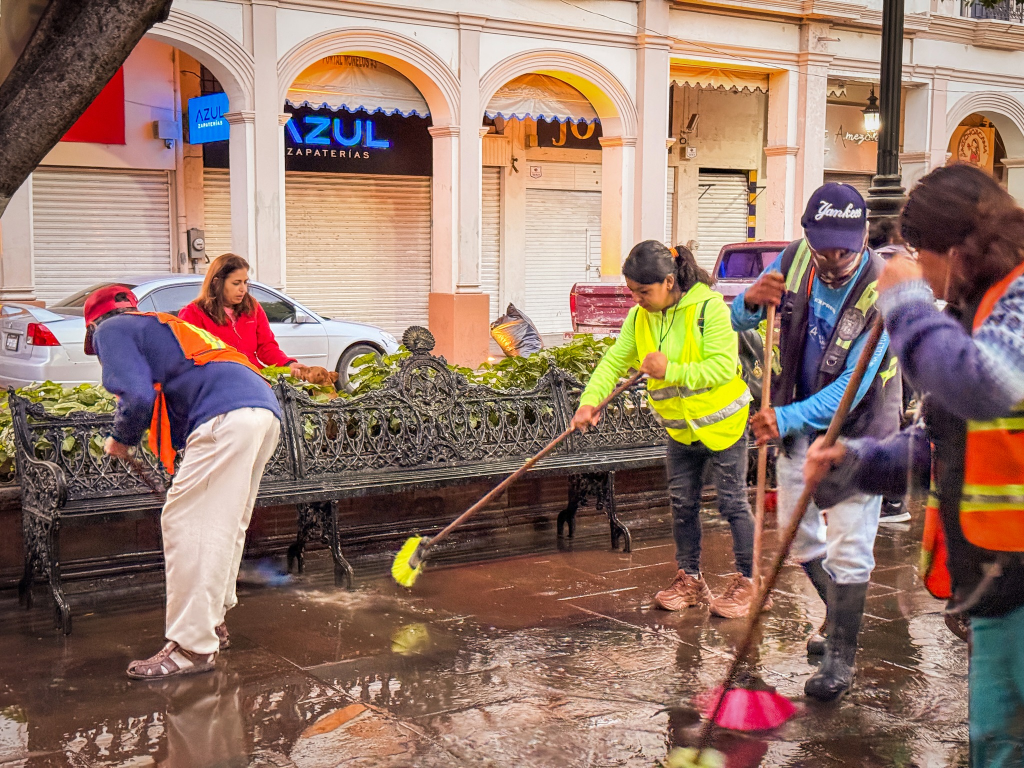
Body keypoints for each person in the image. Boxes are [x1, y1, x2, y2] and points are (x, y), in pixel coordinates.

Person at [804, 164, 1024, 763]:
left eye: (921, 258)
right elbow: (940, 440)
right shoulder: (973, 310)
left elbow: (984, 387)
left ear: (954, 251)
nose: (920, 273)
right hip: (994, 573)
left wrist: (904, 302)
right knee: (997, 742)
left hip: (1018, 572)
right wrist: (857, 462)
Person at [732, 183, 903, 702]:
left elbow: (852, 388)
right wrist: (750, 301)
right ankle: (837, 613)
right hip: (797, 421)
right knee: (798, 535)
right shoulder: (794, 259)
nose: (832, 260)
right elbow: (741, 320)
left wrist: (783, 418)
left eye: (843, 251)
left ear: (863, 237)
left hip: (860, 433)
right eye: (823, 248)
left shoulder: (884, 290)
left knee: (850, 544)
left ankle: (840, 658)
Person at [84, 284, 283, 679]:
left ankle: (192, 646)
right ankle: (212, 620)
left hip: (226, 415)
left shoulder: (111, 328)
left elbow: (136, 395)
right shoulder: (164, 326)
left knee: (187, 524)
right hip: (261, 409)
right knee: (225, 524)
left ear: (94, 325)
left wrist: (121, 437)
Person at [572, 241, 761, 619]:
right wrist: (589, 402)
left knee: (733, 503)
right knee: (682, 504)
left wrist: (669, 370)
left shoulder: (709, 309)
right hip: (680, 429)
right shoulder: (639, 318)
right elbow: (613, 363)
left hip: (723, 425)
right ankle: (690, 580)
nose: (637, 299)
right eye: (632, 292)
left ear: (669, 282)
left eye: (644, 291)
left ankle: (750, 582)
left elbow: (723, 367)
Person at [178, 253, 303, 374]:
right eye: (236, 283)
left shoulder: (252, 306)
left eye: (245, 282)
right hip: (218, 381)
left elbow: (266, 347)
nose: (243, 289)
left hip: (254, 376)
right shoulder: (192, 314)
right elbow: (190, 359)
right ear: (216, 282)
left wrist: (288, 364)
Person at [867, 219, 914, 524]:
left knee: (882, 428)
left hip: (885, 362)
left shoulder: (880, 266)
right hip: (903, 361)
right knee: (891, 426)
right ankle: (893, 501)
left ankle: (892, 503)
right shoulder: (907, 262)